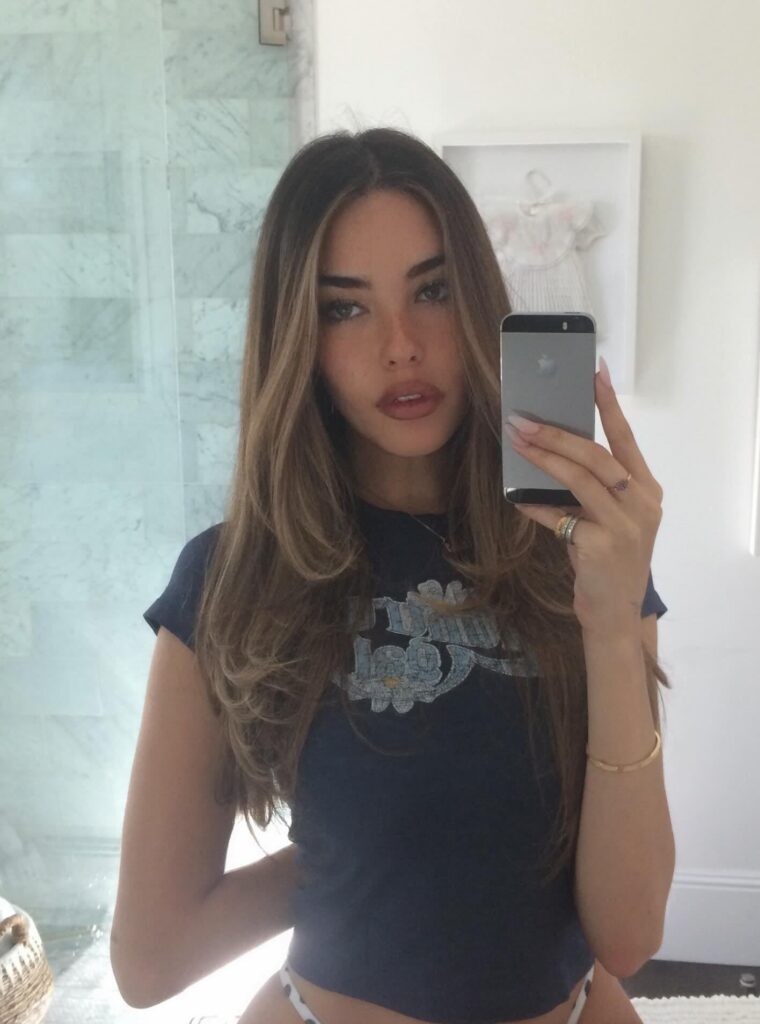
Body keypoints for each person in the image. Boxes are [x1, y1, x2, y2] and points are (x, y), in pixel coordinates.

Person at [112, 128, 671, 1024]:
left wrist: (610, 628)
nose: (401, 346)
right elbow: (150, 960)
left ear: (478, 299)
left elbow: (629, 933)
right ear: (297, 336)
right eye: (345, 308)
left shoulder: (588, 554)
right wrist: (354, 853)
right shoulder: (233, 575)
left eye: (432, 291)